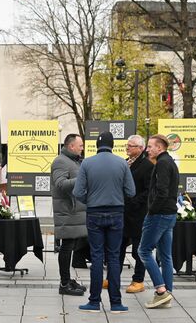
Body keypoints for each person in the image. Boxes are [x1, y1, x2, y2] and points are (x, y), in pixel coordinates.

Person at [73, 131, 135, 314]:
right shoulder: (122, 163)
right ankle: (116, 303)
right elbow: (131, 191)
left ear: (97, 146)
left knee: (97, 256)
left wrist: (90, 201)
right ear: (113, 145)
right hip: (116, 213)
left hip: (94, 214)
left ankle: (94, 302)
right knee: (114, 257)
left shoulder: (87, 163)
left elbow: (77, 192)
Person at [138, 134, 179, 309]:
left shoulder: (162, 163)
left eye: (150, 146)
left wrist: (152, 211)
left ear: (160, 148)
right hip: (169, 214)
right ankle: (166, 294)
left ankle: (161, 291)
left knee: (144, 251)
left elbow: (162, 191)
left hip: (160, 214)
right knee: (165, 256)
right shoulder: (169, 161)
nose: (147, 150)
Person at [51, 133, 87, 296]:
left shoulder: (73, 161)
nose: (82, 148)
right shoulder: (60, 161)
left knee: (70, 246)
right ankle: (64, 283)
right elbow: (60, 184)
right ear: (71, 146)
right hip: (67, 211)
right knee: (66, 247)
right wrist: (82, 178)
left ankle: (67, 280)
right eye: (80, 145)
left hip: (74, 212)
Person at [120, 135, 153, 293]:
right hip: (123, 214)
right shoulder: (124, 162)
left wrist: (133, 202)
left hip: (138, 215)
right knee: (118, 247)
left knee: (138, 250)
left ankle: (138, 280)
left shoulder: (147, 166)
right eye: (127, 145)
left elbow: (148, 191)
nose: (127, 148)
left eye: (131, 146)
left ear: (141, 148)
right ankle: (113, 277)